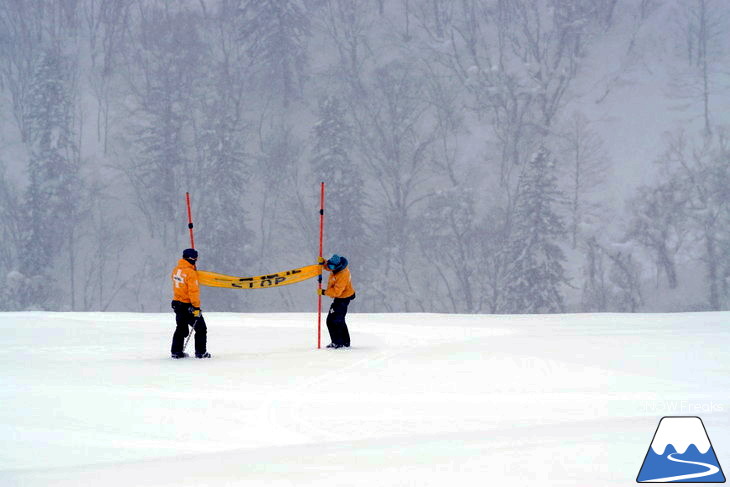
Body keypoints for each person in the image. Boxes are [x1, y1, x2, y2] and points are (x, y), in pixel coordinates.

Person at [170, 248, 210, 359]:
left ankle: (176, 352)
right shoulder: (191, 273)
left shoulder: (176, 270)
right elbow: (193, 291)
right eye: (194, 259)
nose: (195, 260)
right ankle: (201, 352)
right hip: (188, 305)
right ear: (190, 258)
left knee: (181, 328)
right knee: (201, 328)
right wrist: (196, 307)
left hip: (177, 303)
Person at [320, 254, 356, 348]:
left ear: (338, 266)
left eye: (332, 266)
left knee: (332, 321)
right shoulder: (336, 268)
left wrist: (324, 292)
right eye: (330, 265)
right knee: (339, 320)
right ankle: (345, 342)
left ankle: (337, 342)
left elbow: (337, 292)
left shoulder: (342, 275)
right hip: (341, 297)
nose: (330, 268)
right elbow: (329, 267)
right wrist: (323, 263)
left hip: (342, 298)